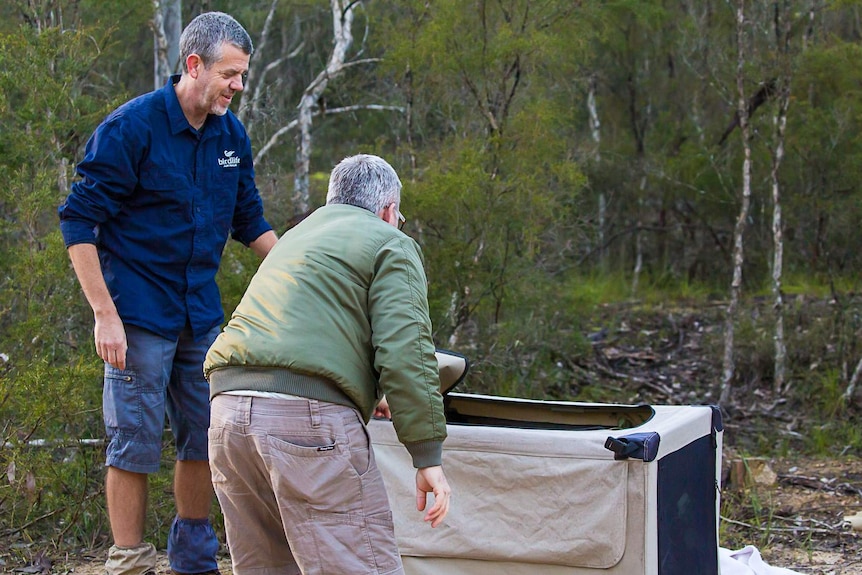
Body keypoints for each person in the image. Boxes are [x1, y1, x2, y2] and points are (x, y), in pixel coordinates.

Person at [58, 12, 278, 575]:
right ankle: (129, 560)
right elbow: (78, 223)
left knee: (207, 437)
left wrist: (303, 270)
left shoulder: (231, 136)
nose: (238, 86)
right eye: (230, 73)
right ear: (194, 64)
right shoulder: (133, 127)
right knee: (132, 443)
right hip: (136, 317)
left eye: (243, 76)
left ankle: (193, 561)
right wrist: (105, 315)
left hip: (201, 318)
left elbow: (248, 221)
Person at [204, 154, 452, 575]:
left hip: (228, 415)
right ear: (388, 210)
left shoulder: (297, 238)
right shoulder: (389, 241)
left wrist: (363, 391)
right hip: (307, 423)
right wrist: (427, 457)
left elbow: (303, 334)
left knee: (267, 567)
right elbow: (407, 351)